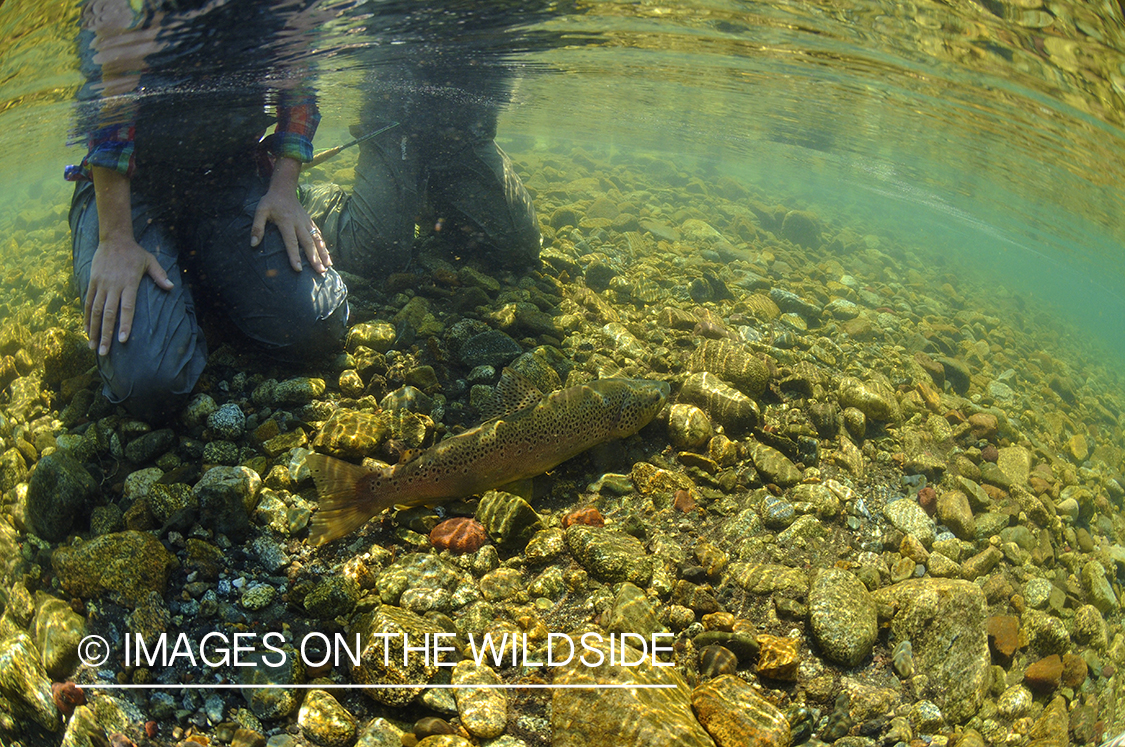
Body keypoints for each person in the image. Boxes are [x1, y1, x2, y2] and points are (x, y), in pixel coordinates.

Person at [67, 0, 348, 421]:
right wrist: (115, 239)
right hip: (129, 193)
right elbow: (111, 115)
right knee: (149, 384)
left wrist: (284, 188)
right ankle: (193, 272)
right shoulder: (119, 9)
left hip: (226, 178)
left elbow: (299, 88)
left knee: (318, 326)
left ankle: (197, 272)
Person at [303, 4, 545, 278]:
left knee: (521, 250)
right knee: (377, 257)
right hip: (393, 127)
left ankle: (432, 206)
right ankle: (310, 196)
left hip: (466, 134)